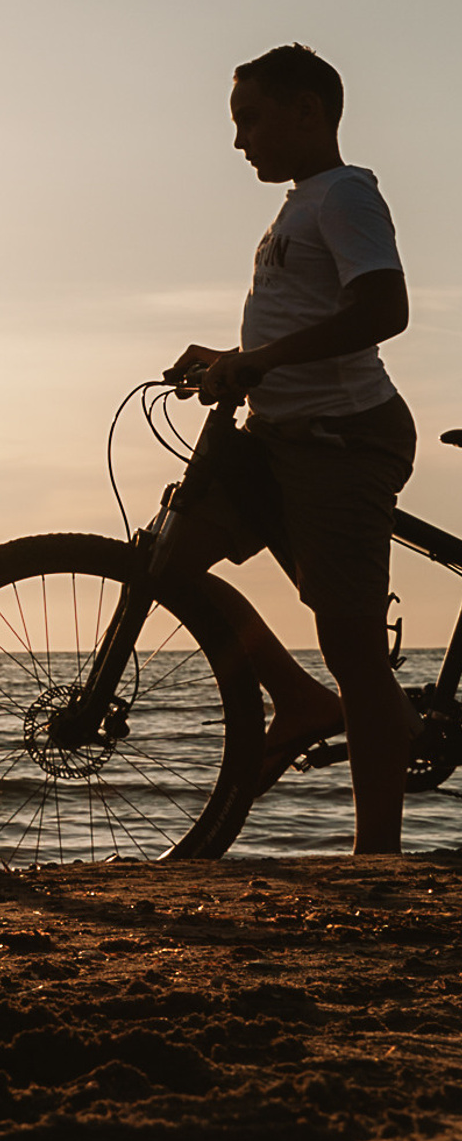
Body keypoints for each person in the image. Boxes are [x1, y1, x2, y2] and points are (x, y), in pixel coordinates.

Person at [161, 44, 415, 853]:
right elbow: (299, 320)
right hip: (274, 436)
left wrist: (261, 360)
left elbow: (384, 309)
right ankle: (299, 701)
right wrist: (234, 359)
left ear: (306, 111)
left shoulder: (345, 195)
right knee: (162, 564)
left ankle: (376, 859)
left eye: (251, 119)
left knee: (353, 649)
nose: (240, 140)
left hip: (343, 439)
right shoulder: (300, 205)